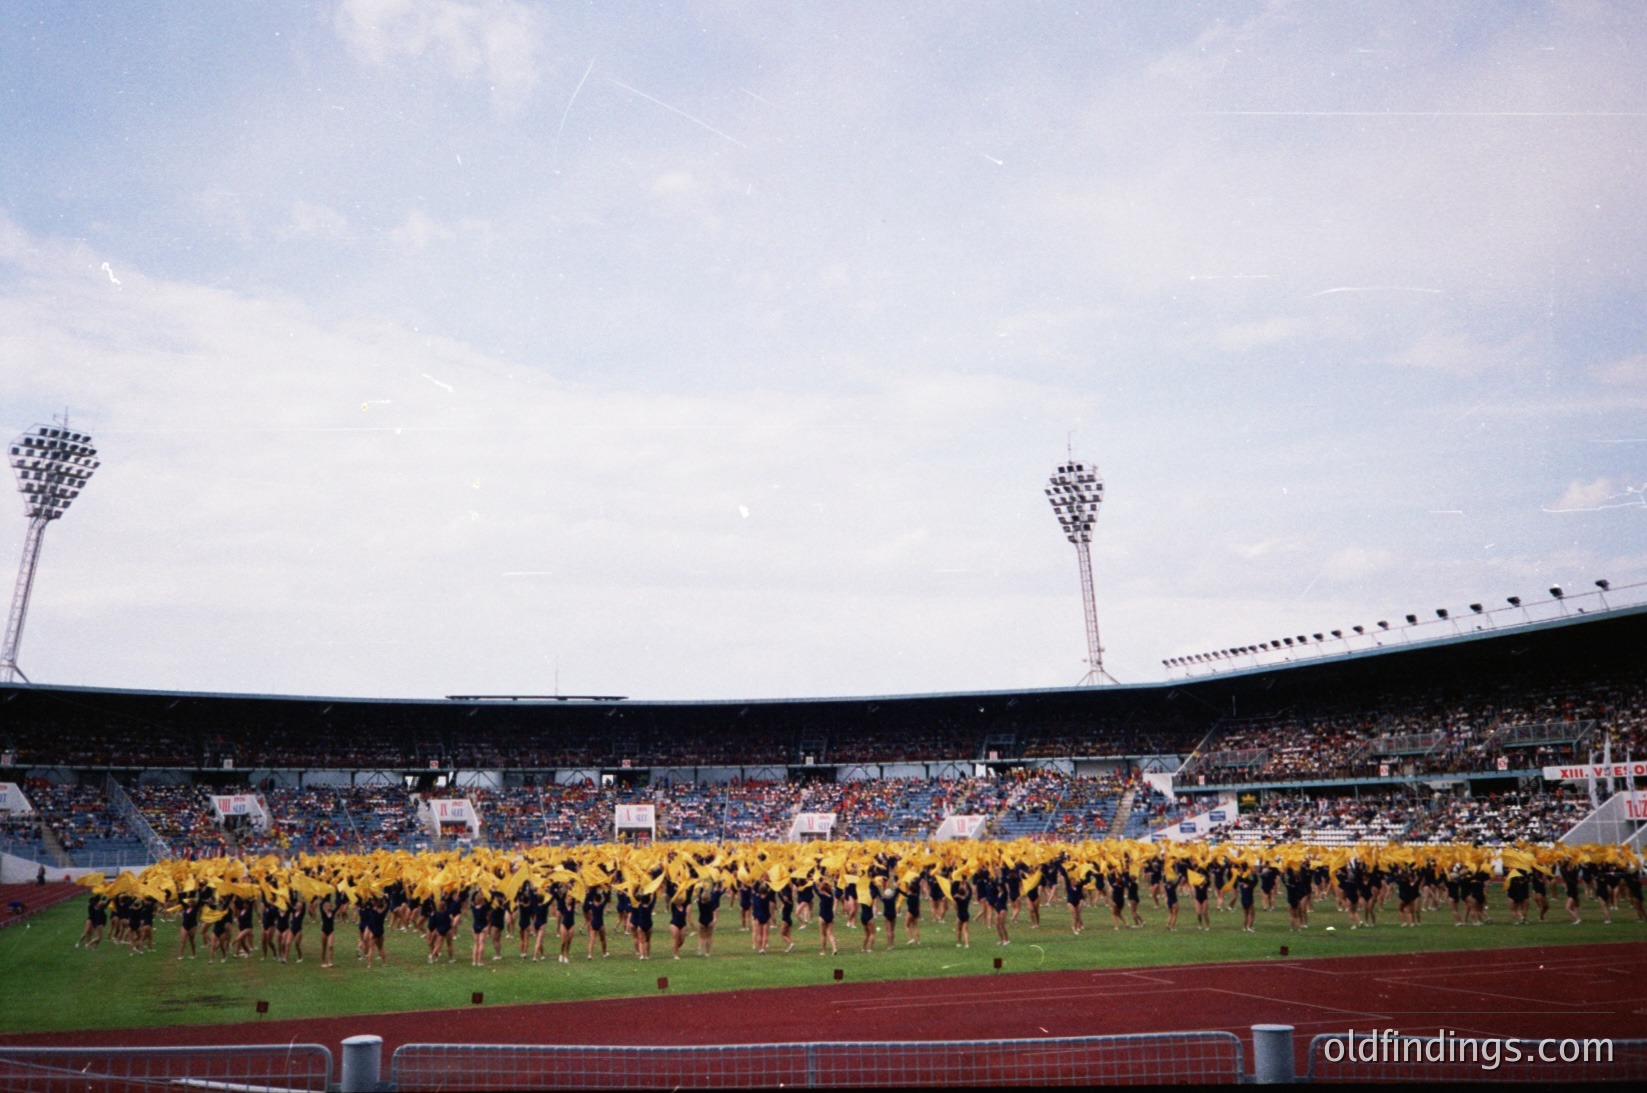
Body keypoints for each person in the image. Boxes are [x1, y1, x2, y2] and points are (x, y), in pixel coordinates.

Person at [694, 881, 719, 957]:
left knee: (701, 936)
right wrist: (713, 889)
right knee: (709, 937)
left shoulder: (699, 903)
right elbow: (714, 896)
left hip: (701, 920)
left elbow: (698, 896)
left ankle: (699, 949)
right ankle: (707, 952)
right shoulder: (710, 903)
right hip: (710, 920)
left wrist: (701, 887)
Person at [816, 876, 838, 956]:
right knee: (830, 934)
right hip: (830, 917)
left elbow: (816, 890)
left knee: (823, 935)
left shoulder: (823, 896)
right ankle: (834, 948)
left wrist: (812, 882)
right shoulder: (831, 897)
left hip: (822, 917)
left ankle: (823, 951)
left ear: (823, 890)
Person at [951, 874, 972, 948]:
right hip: (966, 915)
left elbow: (952, 892)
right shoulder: (967, 899)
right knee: (965, 930)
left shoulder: (957, 899)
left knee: (959, 930)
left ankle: (959, 943)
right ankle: (967, 944)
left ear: (958, 893)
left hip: (959, 915)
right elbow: (970, 891)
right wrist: (967, 883)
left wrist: (955, 882)